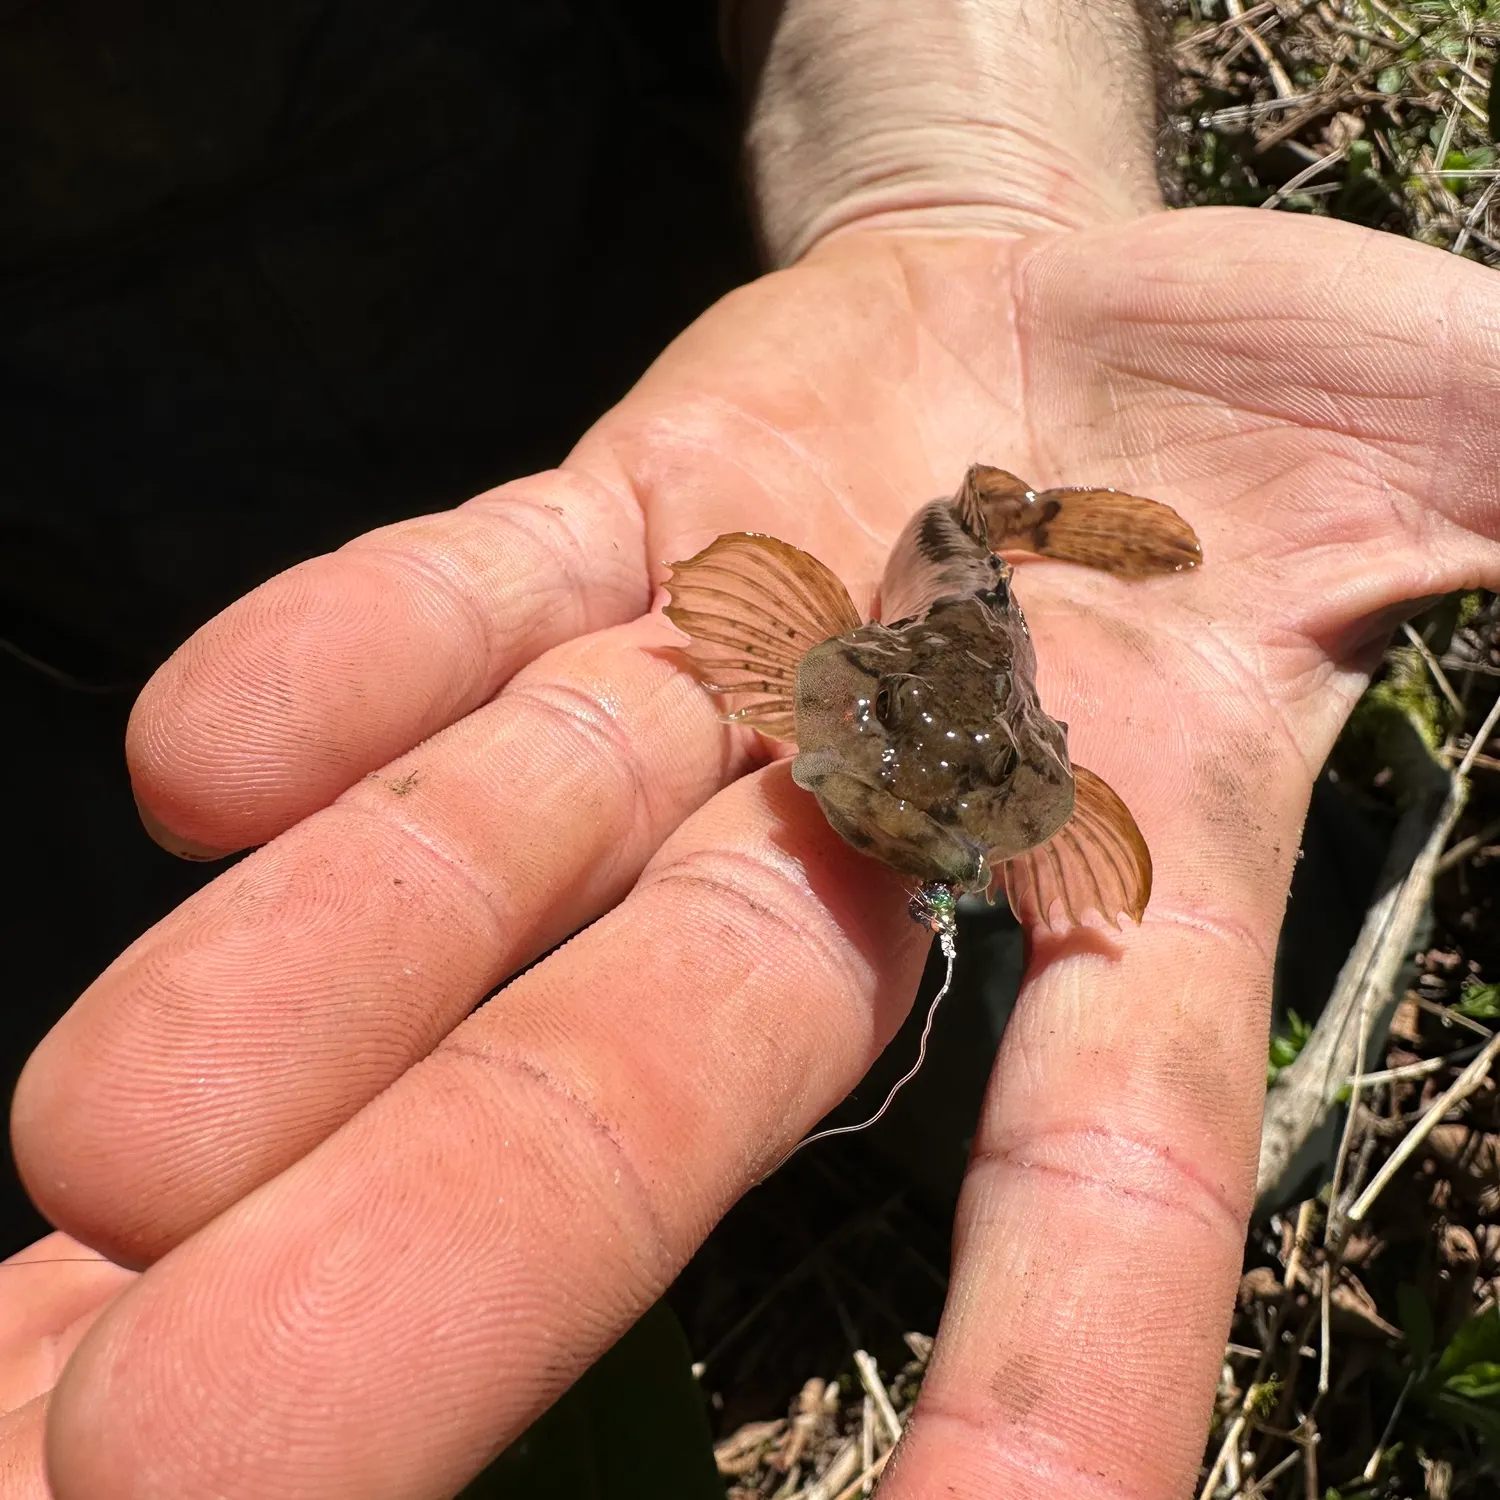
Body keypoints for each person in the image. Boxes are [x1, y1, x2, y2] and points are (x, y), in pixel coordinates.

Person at [6, 3, 1499, 1497]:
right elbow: (766, 613)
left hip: (642, 215)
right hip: (77, 495)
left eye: (990, 774)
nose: (913, 792)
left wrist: (969, 184)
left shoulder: (987, 722)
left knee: (1130, 1009)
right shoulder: (842, 647)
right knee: (181, 1165)